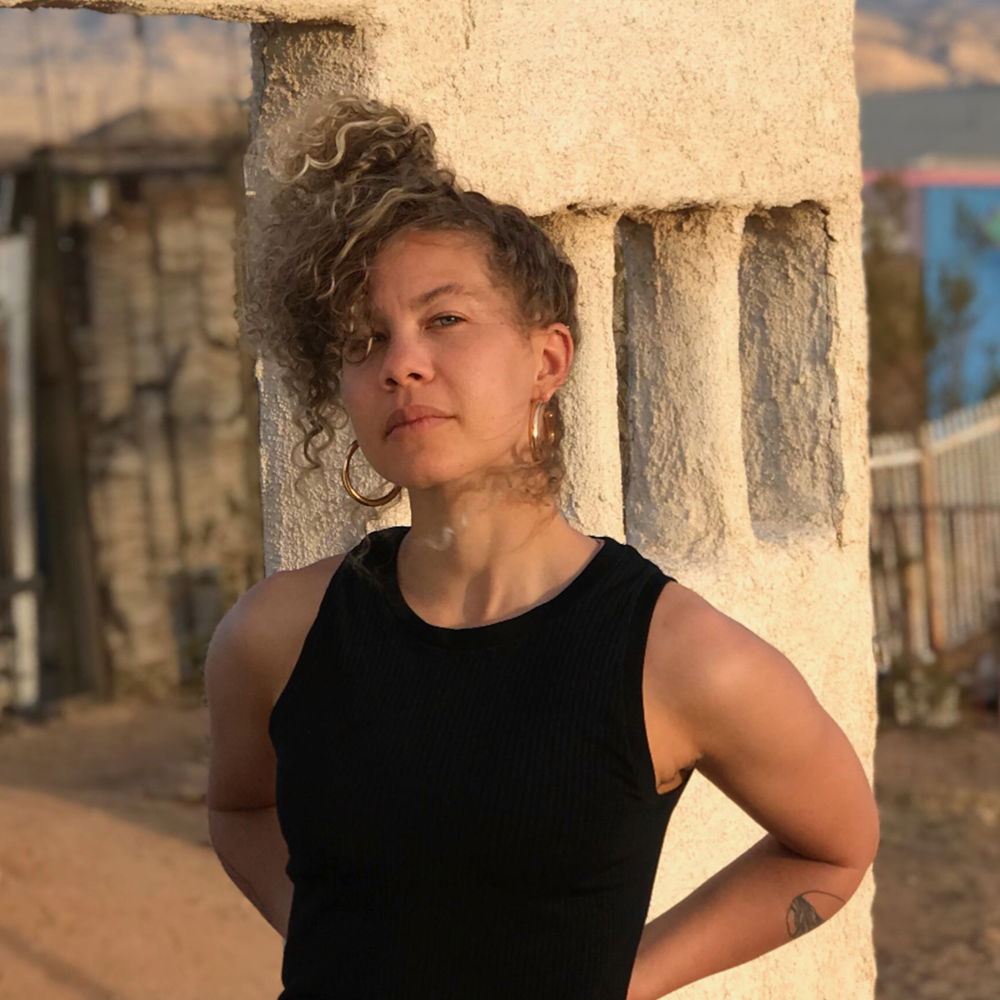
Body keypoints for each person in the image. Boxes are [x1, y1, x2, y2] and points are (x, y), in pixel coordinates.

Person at [204, 93, 879, 1000]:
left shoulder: (679, 657)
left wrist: (623, 978)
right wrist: (341, 936)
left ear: (547, 360)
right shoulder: (277, 633)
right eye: (367, 339)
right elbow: (239, 806)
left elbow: (835, 848)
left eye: (445, 321)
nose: (402, 361)